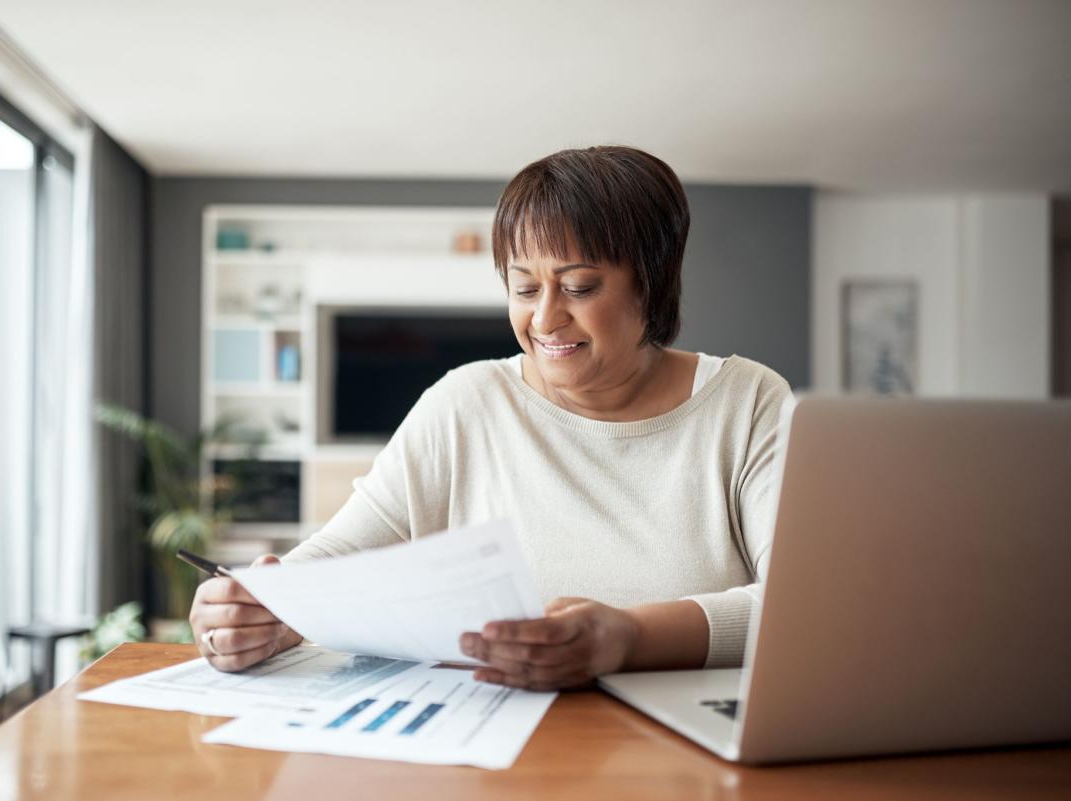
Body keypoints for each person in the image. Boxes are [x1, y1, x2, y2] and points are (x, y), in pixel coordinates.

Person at [189, 146, 792, 691]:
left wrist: (626, 638)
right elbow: (342, 555)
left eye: (579, 287)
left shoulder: (747, 402)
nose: (545, 319)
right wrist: (262, 613)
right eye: (525, 289)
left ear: (653, 286)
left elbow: (802, 605)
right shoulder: (467, 402)